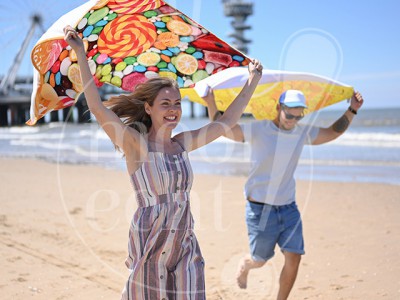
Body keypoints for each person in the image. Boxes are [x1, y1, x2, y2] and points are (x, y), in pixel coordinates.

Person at [63, 26, 263, 299]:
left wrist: (253, 80)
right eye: (165, 104)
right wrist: (80, 54)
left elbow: (226, 122)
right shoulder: (136, 143)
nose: (173, 110)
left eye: (177, 104)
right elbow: (98, 109)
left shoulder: (182, 144)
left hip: (184, 240)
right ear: (148, 108)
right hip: (150, 240)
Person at [203, 88, 364, 299]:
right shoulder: (259, 130)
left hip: (289, 208)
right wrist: (210, 102)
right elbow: (223, 128)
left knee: (294, 256)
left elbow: (332, 132)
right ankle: (246, 265)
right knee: (260, 260)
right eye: (290, 114)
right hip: (259, 210)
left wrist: (352, 110)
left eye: (299, 115)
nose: (294, 119)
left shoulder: (301, 132)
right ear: (279, 108)